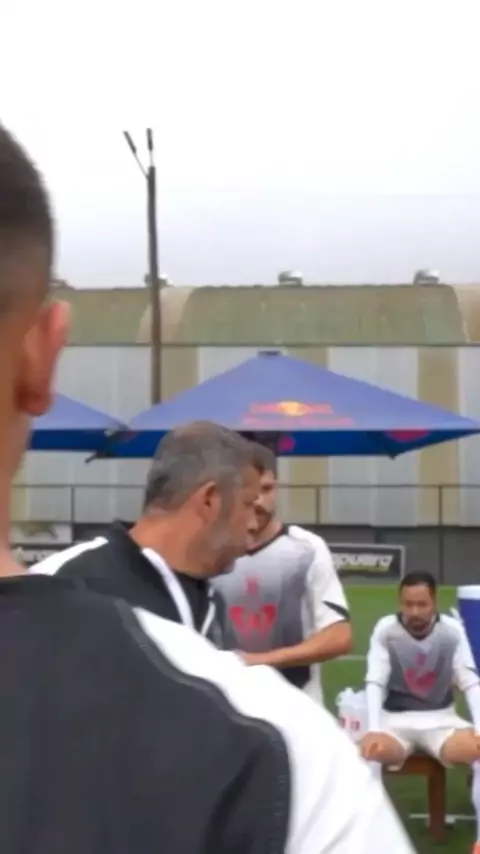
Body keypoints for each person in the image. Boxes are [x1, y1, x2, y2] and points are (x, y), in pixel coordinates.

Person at [0, 119, 416, 853]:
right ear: (45, 352)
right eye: (252, 503)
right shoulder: (280, 764)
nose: (260, 520)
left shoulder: (223, 642)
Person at [31, 420, 257, 646]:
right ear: (210, 500)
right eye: (248, 504)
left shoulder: (212, 602)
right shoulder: (59, 582)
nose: (254, 524)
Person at [215, 442, 352, 703]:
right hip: (228, 702)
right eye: (248, 490)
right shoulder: (212, 551)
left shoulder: (306, 548)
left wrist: (257, 661)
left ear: (277, 488)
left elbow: (339, 636)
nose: (258, 500)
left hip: (296, 703)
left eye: (266, 489)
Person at [360, 570, 480, 854]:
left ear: (434, 602)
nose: (414, 611)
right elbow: (375, 680)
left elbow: (470, 681)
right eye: (408, 604)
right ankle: (367, 841)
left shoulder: (452, 631)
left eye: (421, 604)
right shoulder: (386, 629)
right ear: (400, 602)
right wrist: (373, 730)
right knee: (367, 755)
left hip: (442, 721)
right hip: (394, 723)